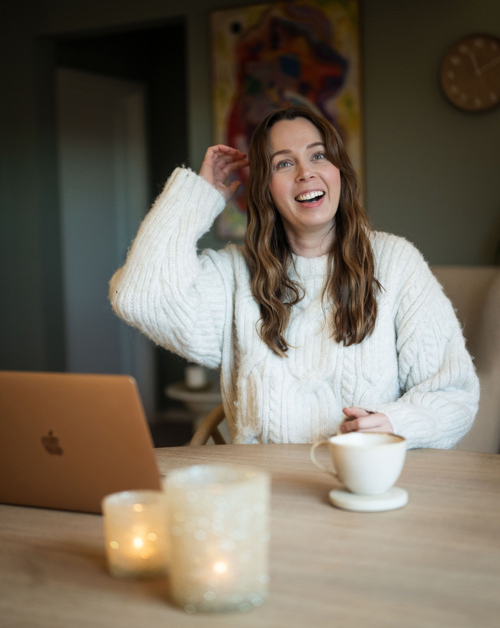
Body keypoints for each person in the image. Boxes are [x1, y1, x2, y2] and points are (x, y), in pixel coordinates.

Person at [109, 105, 479, 448]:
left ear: (338, 170)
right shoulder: (235, 276)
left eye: (318, 155)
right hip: (264, 494)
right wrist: (198, 196)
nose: (306, 173)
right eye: (284, 164)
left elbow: (453, 395)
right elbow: (140, 297)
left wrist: (392, 424)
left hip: (363, 486)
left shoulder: (396, 262)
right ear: (265, 188)